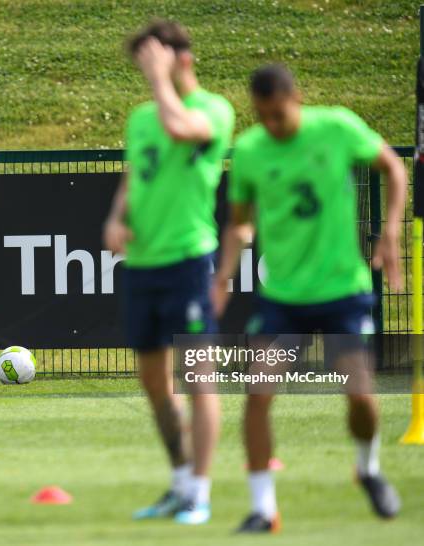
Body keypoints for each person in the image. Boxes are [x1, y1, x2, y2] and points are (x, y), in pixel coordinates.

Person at [212, 63, 405, 533]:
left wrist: (391, 231)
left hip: (343, 291)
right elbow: (240, 221)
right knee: (258, 392)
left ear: (295, 98)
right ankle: (264, 509)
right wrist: (223, 275)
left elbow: (394, 168)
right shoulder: (253, 152)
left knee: (359, 395)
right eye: (261, 117)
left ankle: (368, 469)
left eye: (277, 115)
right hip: (283, 298)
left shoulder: (336, 127)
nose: (271, 126)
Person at [103, 20, 234, 524]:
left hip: (187, 260)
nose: (144, 72)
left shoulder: (213, 108)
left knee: (198, 378)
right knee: (155, 383)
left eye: (151, 60)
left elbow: (182, 128)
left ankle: (200, 493)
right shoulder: (140, 119)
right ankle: (180, 484)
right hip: (142, 266)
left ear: (180, 57)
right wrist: (116, 217)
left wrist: (161, 80)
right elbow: (135, 174)